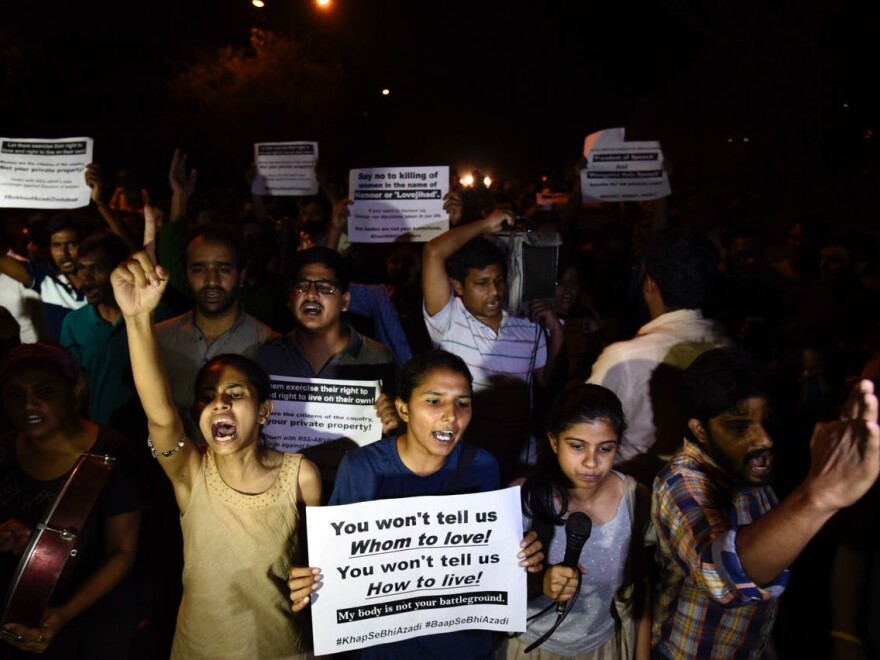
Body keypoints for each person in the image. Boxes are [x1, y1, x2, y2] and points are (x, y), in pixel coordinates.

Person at [111, 235, 321, 659]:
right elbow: (161, 416)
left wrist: (315, 578)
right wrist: (137, 320)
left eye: (235, 393)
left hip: (283, 648)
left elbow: (320, 562)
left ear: (264, 412)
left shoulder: (301, 474)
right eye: (207, 396)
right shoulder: (190, 473)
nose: (219, 402)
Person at [288, 350, 544, 659]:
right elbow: (337, 566)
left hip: (462, 646)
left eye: (462, 403)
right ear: (403, 409)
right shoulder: (362, 468)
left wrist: (520, 557)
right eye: (434, 401)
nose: (451, 415)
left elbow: (487, 557)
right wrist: (311, 582)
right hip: (386, 649)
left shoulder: (483, 466)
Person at [651, 346, 880, 659]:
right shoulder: (680, 483)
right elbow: (722, 578)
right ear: (699, 430)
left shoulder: (748, 470)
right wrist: (819, 494)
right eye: (739, 426)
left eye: (766, 421)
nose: (764, 440)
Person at [0, 343, 142, 659]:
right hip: (13, 620)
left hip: (90, 623)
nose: (29, 404)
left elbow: (123, 551)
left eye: (45, 391)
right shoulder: (4, 451)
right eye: (15, 394)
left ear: (74, 389)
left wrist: (63, 613)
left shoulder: (110, 455)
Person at [504, 383, 652, 660]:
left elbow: (642, 587)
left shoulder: (636, 500)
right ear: (554, 441)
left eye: (605, 449)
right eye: (577, 446)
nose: (591, 462)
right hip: (529, 647)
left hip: (601, 647)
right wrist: (539, 582)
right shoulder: (523, 500)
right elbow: (492, 584)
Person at [422, 197, 565, 482]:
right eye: (482, 283)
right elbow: (433, 251)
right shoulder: (449, 320)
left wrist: (557, 334)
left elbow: (546, 383)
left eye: (499, 281)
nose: (494, 292)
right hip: (464, 464)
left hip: (520, 464)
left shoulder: (527, 326)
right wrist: (487, 223)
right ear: (459, 286)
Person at [587, 232, 729, 485]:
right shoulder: (726, 345)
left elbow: (585, 433)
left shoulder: (624, 357)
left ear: (650, 284)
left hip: (636, 495)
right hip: (713, 491)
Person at [255, 246, 400, 491]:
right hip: (281, 493)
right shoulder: (267, 357)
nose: (311, 294)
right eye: (302, 286)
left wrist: (394, 424)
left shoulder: (378, 358)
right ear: (290, 298)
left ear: (345, 301)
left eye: (325, 288)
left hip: (353, 493)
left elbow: (395, 438)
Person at [156, 222, 278, 441]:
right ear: (185, 275)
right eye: (199, 269)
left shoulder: (270, 344)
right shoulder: (158, 339)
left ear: (241, 276)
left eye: (223, 269)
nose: (211, 280)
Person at [0, 214, 88, 342]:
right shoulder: (44, 276)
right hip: (60, 360)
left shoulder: (102, 280)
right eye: (57, 245)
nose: (64, 253)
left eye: (71, 244)